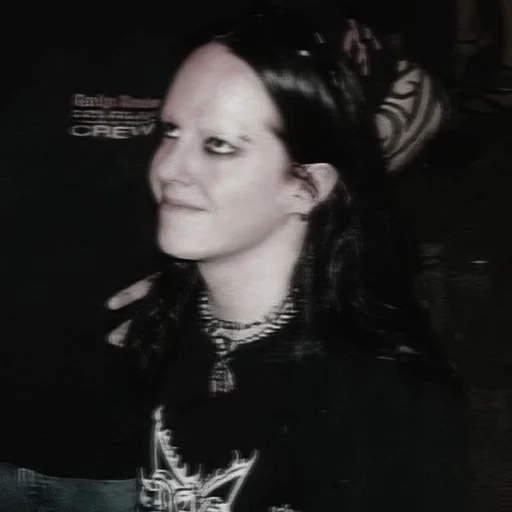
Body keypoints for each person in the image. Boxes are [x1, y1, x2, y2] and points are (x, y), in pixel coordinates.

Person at [122, 9, 468, 511]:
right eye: (171, 131)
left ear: (308, 186)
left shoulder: (385, 397)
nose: (168, 167)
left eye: (218, 145)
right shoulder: (170, 323)